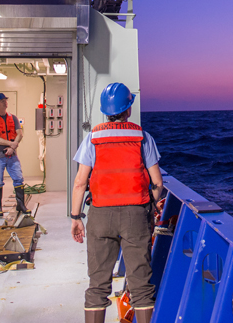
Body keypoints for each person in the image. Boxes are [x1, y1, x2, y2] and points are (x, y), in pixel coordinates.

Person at [70, 82, 164, 323]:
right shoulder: (143, 137)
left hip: (100, 215)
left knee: (97, 285)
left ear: (105, 111)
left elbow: (80, 183)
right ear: (128, 109)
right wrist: (149, 206)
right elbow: (157, 183)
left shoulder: (92, 138)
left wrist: (75, 218)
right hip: (135, 215)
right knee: (142, 287)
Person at [0, 92, 28, 217]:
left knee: (18, 178)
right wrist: (11, 144)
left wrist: (13, 146)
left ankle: (21, 205)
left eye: (5, 100)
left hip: (12, 155)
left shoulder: (13, 118)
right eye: (2, 101)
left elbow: (19, 134)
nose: (5, 102)